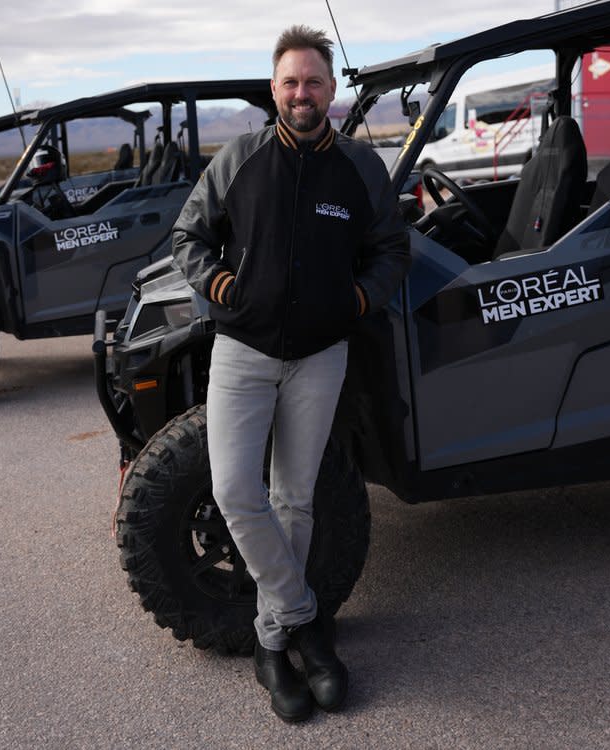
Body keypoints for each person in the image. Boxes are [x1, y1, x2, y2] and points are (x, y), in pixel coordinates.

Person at [172, 25, 411, 723]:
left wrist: (360, 299)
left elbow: (391, 248)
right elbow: (189, 236)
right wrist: (219, 287)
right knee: (234, 489)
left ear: (331, 90)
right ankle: (302, 615)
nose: (301, 93)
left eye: (312, 82)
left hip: (320, 355)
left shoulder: (362, 169)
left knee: (296, 498)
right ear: (273, 89)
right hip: (243, 352)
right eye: (289, 82)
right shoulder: (240, 159)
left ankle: (273, 644)